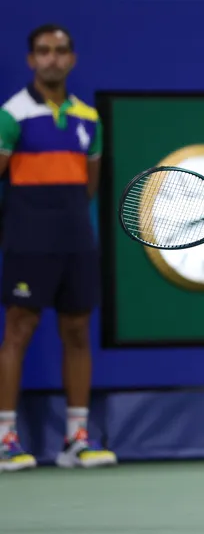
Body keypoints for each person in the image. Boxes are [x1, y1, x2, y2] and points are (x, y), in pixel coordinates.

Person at [0, 24, 117, 471]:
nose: (53, 58)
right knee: (17, 331)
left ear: (72, 59)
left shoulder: (89, 118)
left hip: (76, 242)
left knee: (76, 334)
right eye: (44, 51)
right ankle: (6, 438)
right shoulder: (11, 115)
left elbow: (86, 188)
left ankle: (77, 440)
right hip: (27, 242)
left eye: (61, 50)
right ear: (32, 60)